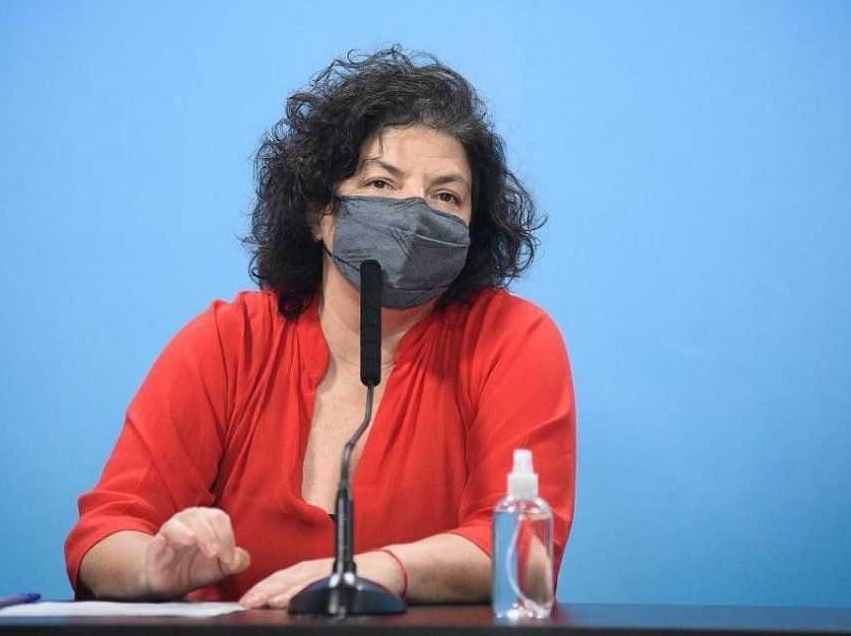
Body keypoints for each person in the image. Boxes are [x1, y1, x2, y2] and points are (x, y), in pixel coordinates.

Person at [64, 47, 576, 608]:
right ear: (319, 213)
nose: (415, 211)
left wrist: (378, 571)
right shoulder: (231, 342)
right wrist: (154, 565)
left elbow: (525, 556)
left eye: (446, 196)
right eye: (381, 184)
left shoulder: (511, 339)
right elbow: (103, 537)